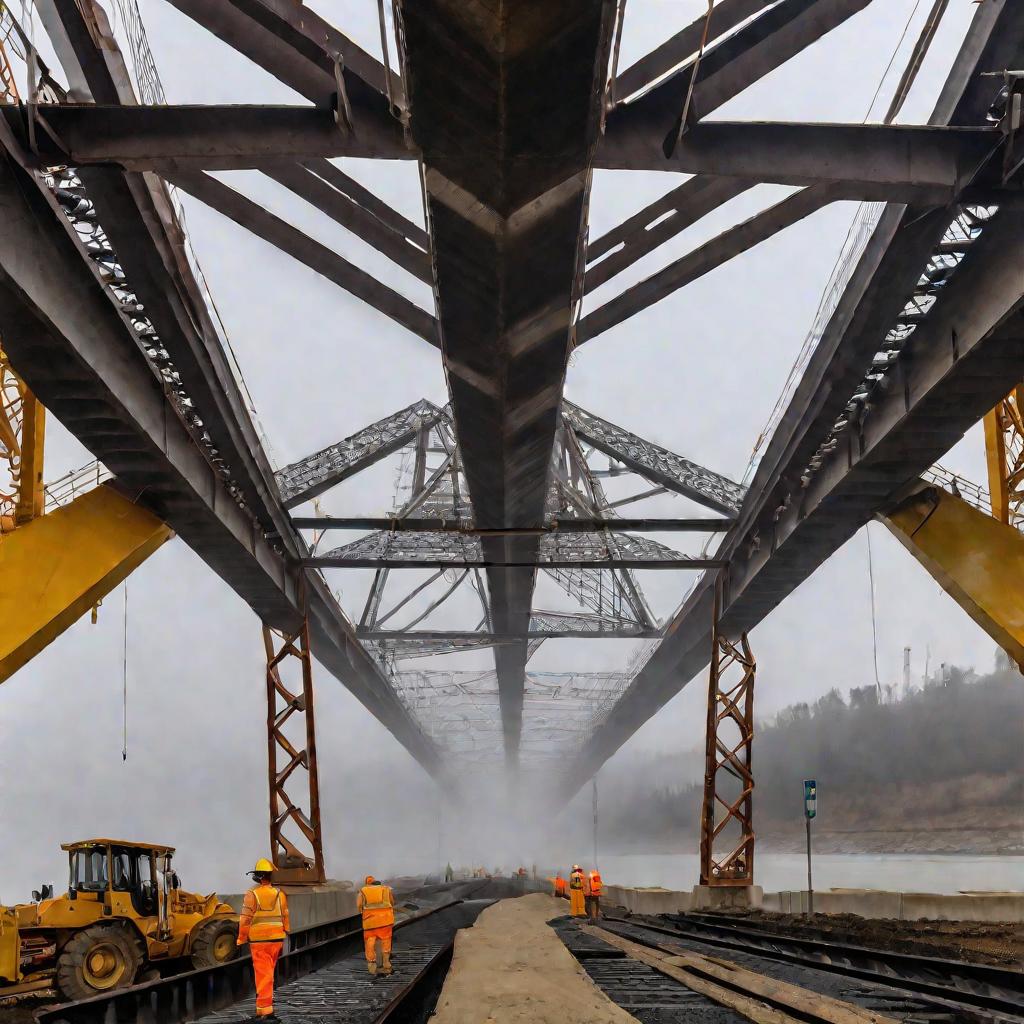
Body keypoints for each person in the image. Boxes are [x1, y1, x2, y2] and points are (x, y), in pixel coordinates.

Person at [236, 858, 290, 1020]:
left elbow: (245, 919)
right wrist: (286, 930)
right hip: (277, 939)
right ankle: (264, 1007)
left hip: (260, 941)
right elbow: (285, 915)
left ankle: (265, 1010)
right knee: (268, 972)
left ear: (258, 877)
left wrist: (241, 939)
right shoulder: (279, 894)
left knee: (263, 974)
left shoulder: (252, 895)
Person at [358, 875, 396, 976]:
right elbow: (392, 902)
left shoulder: (363, 891)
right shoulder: (386, 889)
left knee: (370, 943)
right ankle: (386, 965)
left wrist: (364, 913)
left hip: (370, 922)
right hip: (385, 921)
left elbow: (359, 905)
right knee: (386, 942)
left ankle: (372, 966)